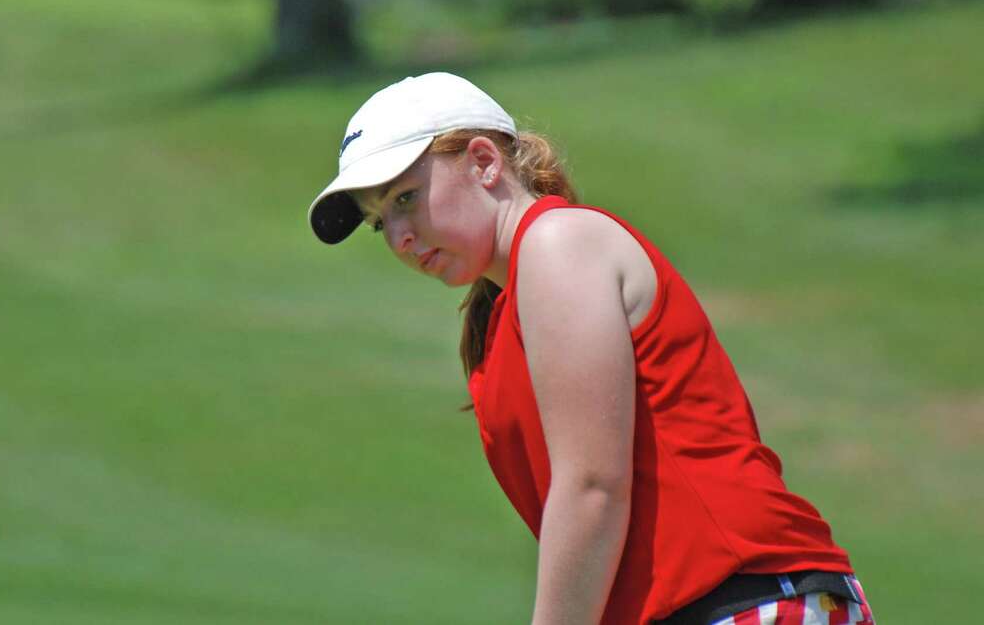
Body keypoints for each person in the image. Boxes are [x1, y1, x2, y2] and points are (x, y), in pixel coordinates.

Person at [307, 72, 877, 625]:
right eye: (381, 223)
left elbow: (592, 490)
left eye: (407, 197)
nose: (401, 237)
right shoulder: (503, 314)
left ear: (484, 162)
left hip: (746, 601)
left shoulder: (558, 245)